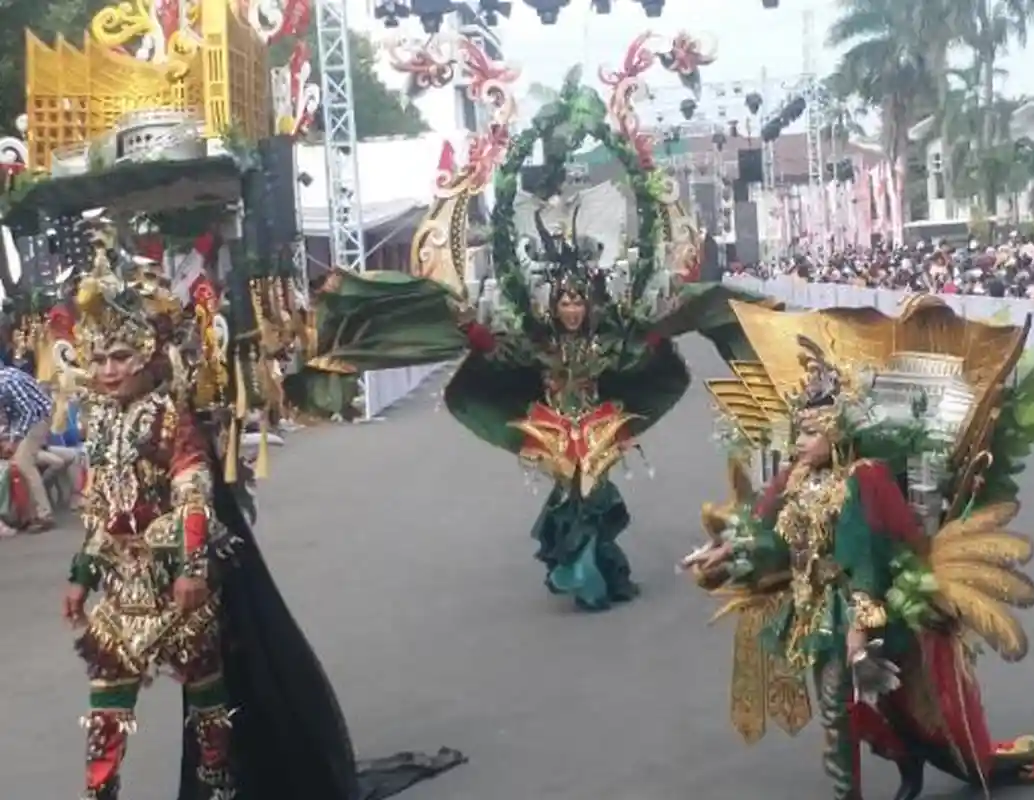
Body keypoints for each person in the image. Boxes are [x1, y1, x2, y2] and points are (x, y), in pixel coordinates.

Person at [308, 68, 777, 612]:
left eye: (579, 302)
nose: (573, 309)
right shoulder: (538, 340)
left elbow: (633, 354)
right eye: (566, 303)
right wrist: (469, 328)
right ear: (554, 306)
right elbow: (499, 352)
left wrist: (659, 330)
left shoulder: (606, 337)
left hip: (599, 428)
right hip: (553, 429)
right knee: (571, 499)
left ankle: (594, 573)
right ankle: (583, 571)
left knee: (593, 499)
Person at [57, 217, 463, 799]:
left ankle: (221, 793)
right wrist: (80, 576)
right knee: (106, 717)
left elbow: (193, 488)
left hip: (179, 588)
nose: (109, 370)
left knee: (209, 712)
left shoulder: (170, 417)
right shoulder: (98, 424)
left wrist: (194, 569)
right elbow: (99, 508)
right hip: (121, 594)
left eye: (120, 356)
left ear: (146, 356)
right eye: (99, 361)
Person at [688, 299, 1034, 800]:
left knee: (841, 709)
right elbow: (774, 543)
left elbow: (865, 565)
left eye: (809, 432)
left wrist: (858, 639)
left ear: (837, 431)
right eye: (797, 430)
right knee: (852, 710)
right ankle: (905, 758)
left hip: (858, 610)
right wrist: (727, 553)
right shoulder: (798, 480)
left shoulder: (861, 480)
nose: (798, 441)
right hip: (813, 611)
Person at [0, 363, 55, 530]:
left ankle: (44, 514)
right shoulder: (7, 377)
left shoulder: (6, 382)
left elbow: (28, 412)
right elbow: (14, 415)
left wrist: (14, 439)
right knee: (20, 462)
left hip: (38, 418)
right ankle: (29, 513)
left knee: (24, 463)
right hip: (33, 418)